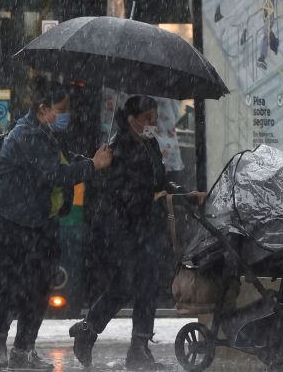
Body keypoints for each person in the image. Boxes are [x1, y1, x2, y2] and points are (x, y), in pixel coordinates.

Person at [0, 77, 113, 371]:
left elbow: (63, 160)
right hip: (6, 221)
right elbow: (56, 174)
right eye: (61, 109)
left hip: (37, 223)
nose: (66, 116)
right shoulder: (27, 135)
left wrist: (89, 159)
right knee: (18, 282)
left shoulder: (46, 133)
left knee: (40, 285)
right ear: (42, 109)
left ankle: (23, 350)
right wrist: (92, 166)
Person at [70, 95, 205, 370]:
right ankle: (90, 328)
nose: (153, 122)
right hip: (119, 229)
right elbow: (118, 192)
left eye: (155, 117)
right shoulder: (116, 148)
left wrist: (186, 194)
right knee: (125, 285)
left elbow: (160, 180)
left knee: (147, 284)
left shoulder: (150, 144)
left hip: (145, 228)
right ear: (133, 119)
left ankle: (139, 348)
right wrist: (148, 197)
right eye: (148, 118)